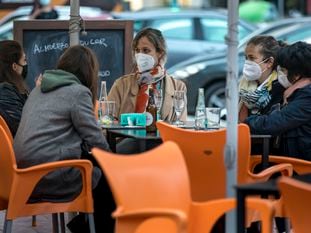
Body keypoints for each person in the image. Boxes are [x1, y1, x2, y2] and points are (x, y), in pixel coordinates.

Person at [13, 45, 114, 233]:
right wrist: (114, 161)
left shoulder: (38, 90)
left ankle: (82, 225)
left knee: (95, 168)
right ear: (88, 71)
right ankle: (92, 228)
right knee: (107, 176)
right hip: (50, 177)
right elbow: (94, 138)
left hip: (23, 176)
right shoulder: (78, 92)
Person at [108, 27, 187, 154]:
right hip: (127, 146)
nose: (140, 56)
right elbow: (107, 121)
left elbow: (181, 128)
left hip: (164, 148)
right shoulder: (121, 84)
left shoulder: (178, 87)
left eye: (146, 50)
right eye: (137, 51)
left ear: (160, 52)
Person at [245, 41, 311, 161]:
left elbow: (272, 123)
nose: (281, 74)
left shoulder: (307, 96)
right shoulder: (293, 91)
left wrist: (245, 123)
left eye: (284, 70)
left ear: (296, 74)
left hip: (300, 169)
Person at [239, 35, 286, 123]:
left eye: (252, 58)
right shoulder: (243, 86)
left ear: (269, 62)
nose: (247, 62)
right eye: (246, 58)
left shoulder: (279, 87)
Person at [0, 40, 28, 137]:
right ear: (14, 66)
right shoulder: (5, 92)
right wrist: (37, 96)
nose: (26, 64)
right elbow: (23, 127)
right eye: (24, 60)